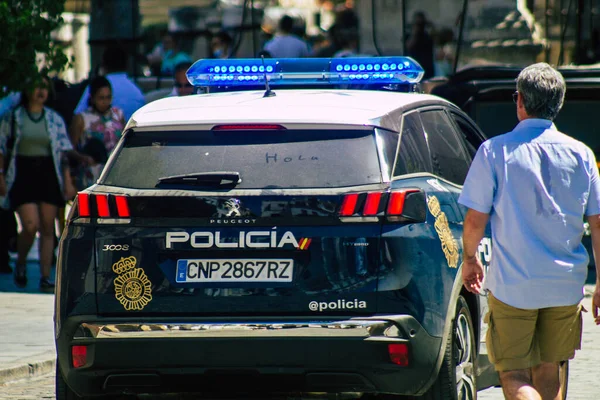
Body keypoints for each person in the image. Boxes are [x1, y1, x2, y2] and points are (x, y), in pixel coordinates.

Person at [459, 63, 600, 400]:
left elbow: (475, 219)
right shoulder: (581, 154)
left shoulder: (494, 151)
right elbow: (597, 223)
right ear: (559, 103)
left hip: (513, 285)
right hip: (565, 285)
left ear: (520, 101)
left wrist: (469, 259)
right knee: (550, 368)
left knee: (513, 373)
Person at [0, 75, 77, 290]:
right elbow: (2, 149)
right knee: (30, 224)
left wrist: (68, 181)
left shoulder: (53, 118)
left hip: (48, 173)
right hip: (22, 173)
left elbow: (63, 152)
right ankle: (21, 262)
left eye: (44, 87)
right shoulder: (13, 117)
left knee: (47, 226)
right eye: (36, 87)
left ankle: (45, 277)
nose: (41, 91)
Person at [70, 76, 126, 191]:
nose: (105, 102)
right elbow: (70, 149)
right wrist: (84, 158)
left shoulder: (118, 115)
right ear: (92, 98)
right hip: (92, 174)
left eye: (108, 97)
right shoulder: (82, 119)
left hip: (115, 172)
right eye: (101, 98)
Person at [74, 45, 145, 122]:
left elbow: (78, 116)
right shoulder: (137, 93)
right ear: (127, 65)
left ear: (103, 65)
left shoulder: (97, 86)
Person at [406, 11, 435, 80]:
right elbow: (408, 46)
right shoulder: (409, 35)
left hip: (427, 67)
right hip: (414, 66)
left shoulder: (427, 36)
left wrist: (432, 28)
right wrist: (415, 32)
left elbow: (436, 42)